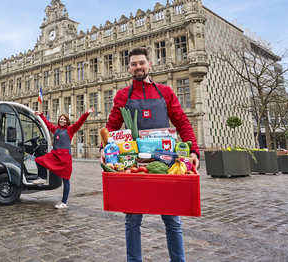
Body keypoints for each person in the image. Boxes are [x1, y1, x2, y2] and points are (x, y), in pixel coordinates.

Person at [100, 46, 200, 262]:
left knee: (172, 219)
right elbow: (112, 126)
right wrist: (103, 149)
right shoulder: (122, 95)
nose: (138, 67)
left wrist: (194, 151)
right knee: (133, 219)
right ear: (129, 68)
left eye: (142, 63)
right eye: (134, 64)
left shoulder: (165, 92)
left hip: (166, 161)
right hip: (135, 163)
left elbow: (182, 122)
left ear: (149, 65)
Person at [33, 107, 95, 209]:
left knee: (66, 180)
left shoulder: (70, 129)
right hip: (54, 156)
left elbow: (79, 122)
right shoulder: (55, 129)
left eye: (64, 119)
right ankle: (42, 178)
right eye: (61, 119)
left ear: (67, 121)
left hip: (65, 159)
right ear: (59, 121)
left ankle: (64, 202)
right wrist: (41, 115)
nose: (62, 120)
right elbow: (47, 124)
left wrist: (87, 113)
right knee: (39, 160)